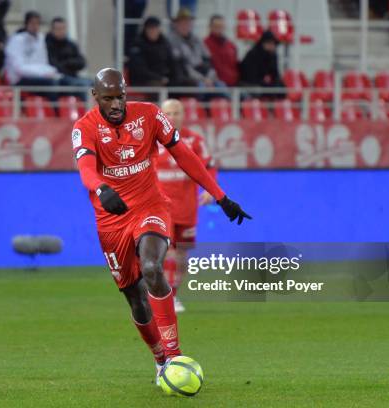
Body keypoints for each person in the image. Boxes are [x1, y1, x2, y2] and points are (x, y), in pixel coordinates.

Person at [72, 68, 251, 383]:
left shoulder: (149, 116)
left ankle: (174, 355)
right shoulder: (84, 127)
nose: (116, 104)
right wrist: (100, 188)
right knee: (136, 299)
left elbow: (184, 154)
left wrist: (220, 197)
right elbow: (86, 168)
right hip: (110, 219)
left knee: (153, 267)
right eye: (108, 98)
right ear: (95, 97)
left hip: (149, 205)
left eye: (120, 97)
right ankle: (159, 359)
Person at [156, 99, 215, 312]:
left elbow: (209, 166)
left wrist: (209, 189)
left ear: (183, 115)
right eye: (168, 113)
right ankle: (165, 296)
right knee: (167, 253)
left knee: (181, 256)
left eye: (176, 113)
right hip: (160, 208)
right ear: (162, 115)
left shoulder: (195, 141)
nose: (172, 117)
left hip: (187, 208)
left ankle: (174, 293)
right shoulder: (151, 140)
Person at [167, 8, 223, 89]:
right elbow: (183, 67)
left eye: (188, 23)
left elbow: (208, 60)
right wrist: (203, 79)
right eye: (182, 23)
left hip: (203, 74)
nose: (185, 26)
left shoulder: (197, 39)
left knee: (221, 86)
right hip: (187, 79)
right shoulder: (172, 41)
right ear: (176, 24)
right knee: (201, 88)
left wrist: (209, 78)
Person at [5, 11, 59, 87]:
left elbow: (43, 63)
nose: (35, 26)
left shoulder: (41, 39)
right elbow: (19, 69)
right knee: (52, 84)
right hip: (19, 79)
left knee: (65, 82)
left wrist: (51, 71)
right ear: (26, 24)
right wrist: (42, 73)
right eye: (32, 23)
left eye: (38, 23)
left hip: (39, 76)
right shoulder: (16, 40)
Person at [127, 16, 178, 87]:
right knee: (157, 87)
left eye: (155, 28)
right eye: (150, 28)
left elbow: (172, 62)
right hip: (143, 80)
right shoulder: (137, 45)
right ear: (145, 30)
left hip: (163, 78)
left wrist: (174, 77)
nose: (152, 31)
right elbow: (140, 70)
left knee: (183, 84)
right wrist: (160, 78)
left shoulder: (164, 43)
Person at [46, 17, 91, 87]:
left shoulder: (71, 44)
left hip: (73, 76)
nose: (61, 31)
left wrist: (68, 62)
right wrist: (71, 64)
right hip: (59, 79)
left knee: (95, 83)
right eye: (58, 29)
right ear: (52, 30)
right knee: (80, 85)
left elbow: (82, 62)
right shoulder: (47, 45)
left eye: (63, 28)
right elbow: (55, 66)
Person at [239, 30, 285, 98]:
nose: (272, 46)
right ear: (262, 43)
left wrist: (274, 83)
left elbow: (275, 74)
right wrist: (265, 83)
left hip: (262, 83)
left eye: (273, 44)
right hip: (249, 83)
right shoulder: (253, 54)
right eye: (269, 43)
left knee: (281, 89)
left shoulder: (273, 56)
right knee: (260, 91)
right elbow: (250, 76)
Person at [203, 15, 239, 87]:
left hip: (233, 84)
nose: (219, 29)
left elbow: (235, 65)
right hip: (215, 84)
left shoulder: (231, 45)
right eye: (216, 26)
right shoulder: (204, 44)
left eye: (221, 26)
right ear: (210, 27)